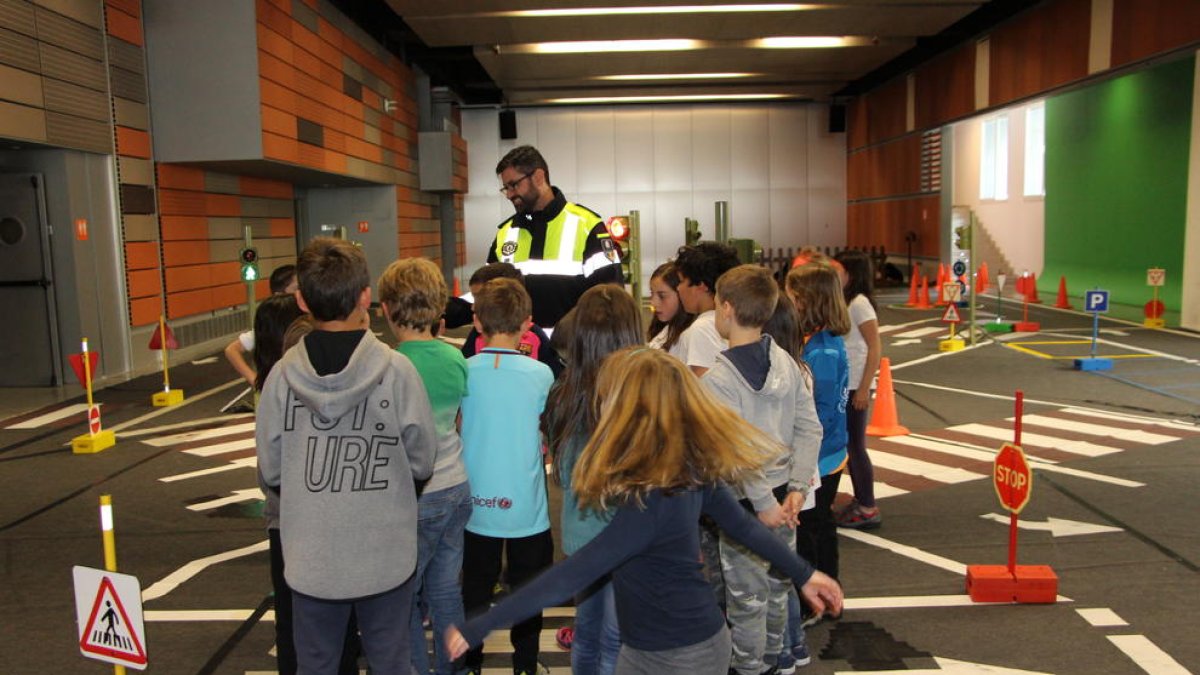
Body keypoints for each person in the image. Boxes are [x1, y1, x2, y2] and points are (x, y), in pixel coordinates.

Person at [444, 347, 844, 675]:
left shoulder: (653, 499)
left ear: (629, 413)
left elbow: (576, 571)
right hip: (651, 649)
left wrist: (481, 623)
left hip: (683, 657)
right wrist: (804, 574)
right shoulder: (682, 468)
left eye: (608, 396)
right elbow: (745, 527)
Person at [256, 238, 437, 674]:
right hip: (385, 553)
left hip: (311, 555)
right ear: (365, 296)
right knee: (391, 660)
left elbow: (271, 469)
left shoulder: (281, 377)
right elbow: (422, 460)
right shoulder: (396, 371)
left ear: (300, 299)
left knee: (316, 663)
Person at [704, 265, 822, 675]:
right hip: (784, 501)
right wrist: (796, 490)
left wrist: (762, 504)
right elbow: (810, 428)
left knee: (745, 601)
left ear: (726, 309)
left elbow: (737, 453)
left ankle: (751, 668)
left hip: (744, 506)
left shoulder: (717, 380)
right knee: (776, 588)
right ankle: (777, 662)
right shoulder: (786, 363)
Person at [377, 258, 472, 675]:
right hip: (456, 486)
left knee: (406, 598)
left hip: (416, 495)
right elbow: (458, 422)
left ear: (385, 310)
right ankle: (453, 668)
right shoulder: (455, 360)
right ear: (440, 307)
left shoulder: (389, 366)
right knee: (446, 590)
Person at [542, 285, 643, 675]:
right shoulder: (642, 393)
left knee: (587, 630)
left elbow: (564, 474)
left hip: (581, 538)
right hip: (629, 539)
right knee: (617, 638)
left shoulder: (565, 393)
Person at [459, 277, 555, 675]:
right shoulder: (541, 375)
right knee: (529, 592)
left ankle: (470, 665)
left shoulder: (463, 370)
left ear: (478, 322)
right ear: (527, 323)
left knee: (474, 591)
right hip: (526, 505)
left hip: (473, 503)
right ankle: (525, 666)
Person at [489, 145, 623, 327]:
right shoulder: (506, 233)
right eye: (505, 188)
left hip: (571, 353)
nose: (509, 195)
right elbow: (485, 294)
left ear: (538, 177)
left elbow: (612, 300)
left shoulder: (587, 225)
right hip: (518, 354)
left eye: (514, 185)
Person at [784, 262, 850, 624]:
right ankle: (828, 591)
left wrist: (800, 456)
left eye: (793, 298)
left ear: (809, 302)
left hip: (821, 457)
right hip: (830, 452)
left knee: (811, 528)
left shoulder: (821, 353)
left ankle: (818, 597)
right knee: (819, 525)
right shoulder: (820, 343)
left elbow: (818, 415)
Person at [832, 249, 883, 530]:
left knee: (855, 447)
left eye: (839, 270)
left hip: (855, 386)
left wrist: (864, 388)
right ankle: (861, 501)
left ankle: (867, 506)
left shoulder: (860, 303)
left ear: (852, 273)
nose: (835, 275)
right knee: (848, 446)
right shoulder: (847, 301)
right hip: (847, 384)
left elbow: (874, 346)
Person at [460, 262, 564, 378]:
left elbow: (556, 377)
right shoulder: (476, 334)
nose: (473, 306)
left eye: (479, 298)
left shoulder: (536, 336)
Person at [672, 242, 742, 376]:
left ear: (701, 286)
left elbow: (707, 389)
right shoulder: (736, 321)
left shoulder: (702, 329)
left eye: (681, 281)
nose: (678, 288)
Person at [224, 264, 298, 387]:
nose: (302, 293)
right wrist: (254, 380)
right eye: (296, 288)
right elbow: (231, 350)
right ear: (278, 295)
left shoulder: (311, 318)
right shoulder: (269, 328)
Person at [646, 262, 694, 356]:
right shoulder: (665, 330)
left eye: (662, 296)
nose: (653, 303)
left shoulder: (692, 333)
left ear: (681, 294)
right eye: (652, 294)